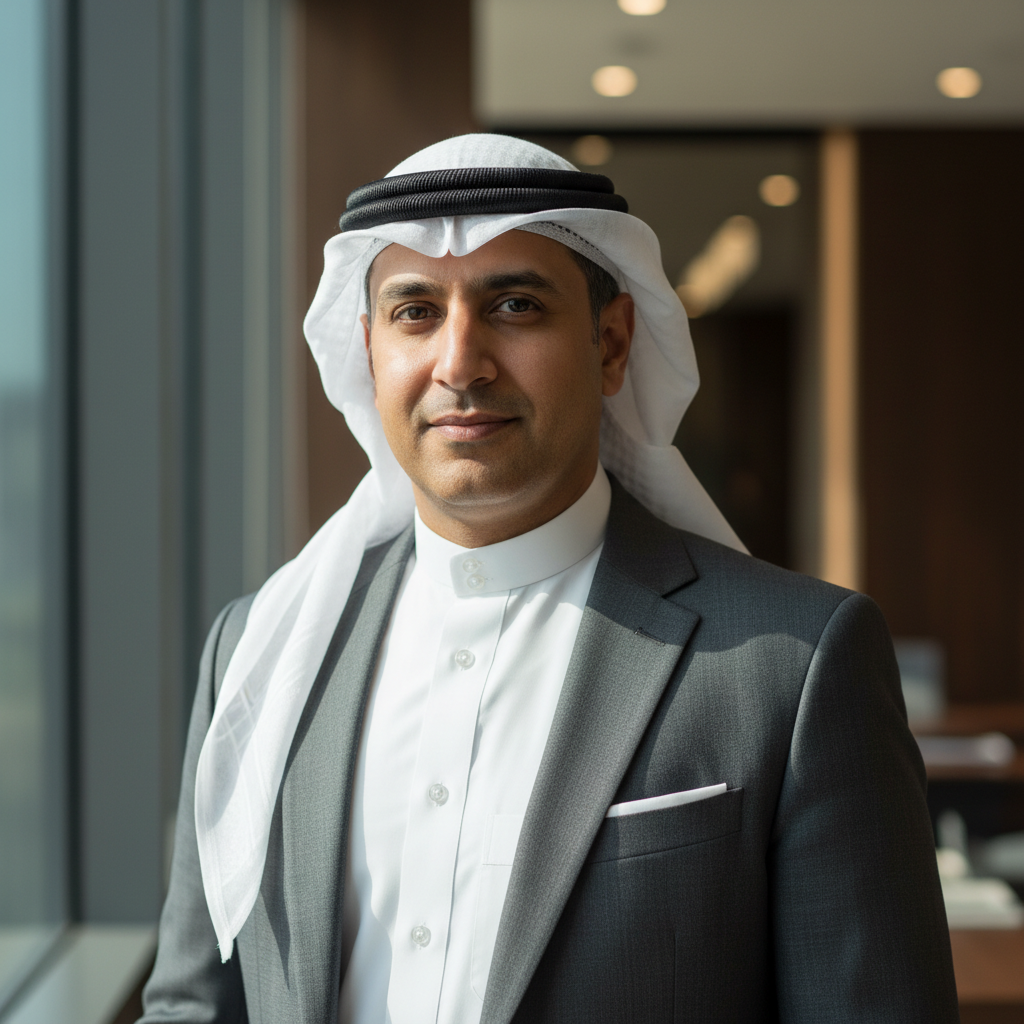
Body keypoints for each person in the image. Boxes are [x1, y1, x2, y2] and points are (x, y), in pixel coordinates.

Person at [139, 135, 958, 1024]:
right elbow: (193, 1007)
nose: (460, 362)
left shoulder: (793, 667)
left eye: (515, 305)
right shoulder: (261, 652)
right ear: (368, 352)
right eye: (416, 312)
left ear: (611, 344)